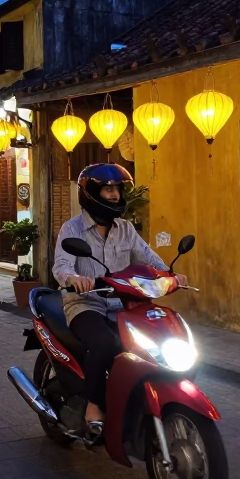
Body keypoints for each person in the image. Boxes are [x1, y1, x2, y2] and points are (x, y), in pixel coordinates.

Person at [52, 163, 186, 435]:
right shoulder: (72, 228)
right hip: (85, 304)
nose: (115, 195)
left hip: (123, 305)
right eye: (107, 189)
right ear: (91, 193)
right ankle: (93, 406)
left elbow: (148, 257)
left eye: (117, 189)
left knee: (152, 342)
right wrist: (74, 278)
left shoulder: (126, 229)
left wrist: (170, 275)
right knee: (105, 342)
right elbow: (61, 265)